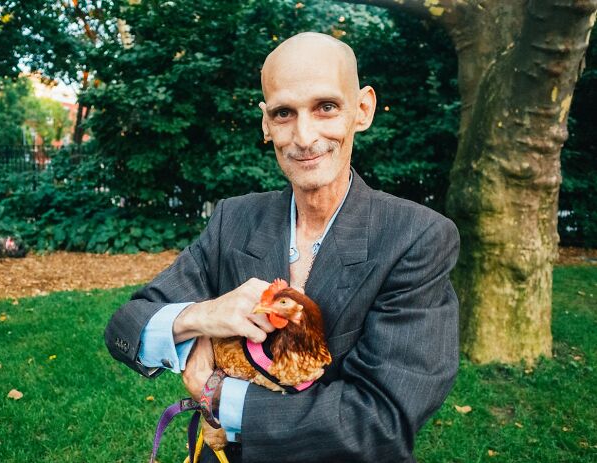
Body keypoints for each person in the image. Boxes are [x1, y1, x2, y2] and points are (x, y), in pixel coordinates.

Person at [105, 32, 460, 462]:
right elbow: (126, 326)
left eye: (326, 107)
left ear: (362, 110)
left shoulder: (416, 237)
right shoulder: (233, 220)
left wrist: (218, 395)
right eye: (284, 113)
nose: (304, 136)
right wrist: (200, 316)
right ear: (266, 123)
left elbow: (379, 422)